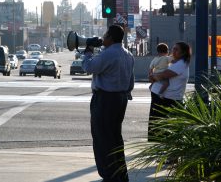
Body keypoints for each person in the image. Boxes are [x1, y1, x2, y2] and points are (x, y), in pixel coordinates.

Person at [82, 24, 135, 182]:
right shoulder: (128, 55)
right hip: (121, 99)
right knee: (115, 138)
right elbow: (131, 83)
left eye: (105, 35)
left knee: (102, 139)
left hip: (105, 99)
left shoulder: (108, 54)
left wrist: (88, 52)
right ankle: (120, 174)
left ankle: (109, 176)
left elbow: (88, 67)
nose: (103, 38)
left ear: (111, 37)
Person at [148, 41, 191, 141]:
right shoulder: (175, 62)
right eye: (173, 49)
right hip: (163, 97)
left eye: (176, 49)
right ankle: (161, 152)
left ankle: (167, 154)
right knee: (160, 129)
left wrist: (154, 76)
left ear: (183, 53)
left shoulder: (181, 63)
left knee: (165, 130)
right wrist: (154, 76)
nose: (173, 51)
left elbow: (164, 74)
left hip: (168, 99)